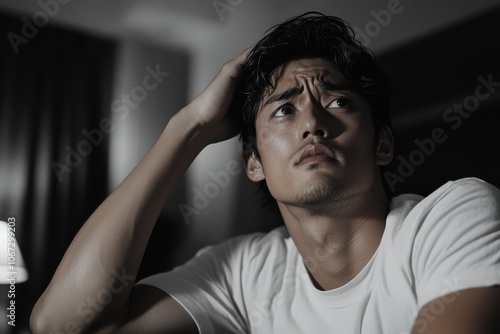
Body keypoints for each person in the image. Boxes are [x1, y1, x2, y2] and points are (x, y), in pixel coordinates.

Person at [30, 12, 500, 334]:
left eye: (338, 101)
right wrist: (187, 129)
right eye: (284, 110)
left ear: (382, 144)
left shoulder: (451, 216)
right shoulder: (246, 272)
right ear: (253, 163)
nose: (314, 123)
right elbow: (61, 324)